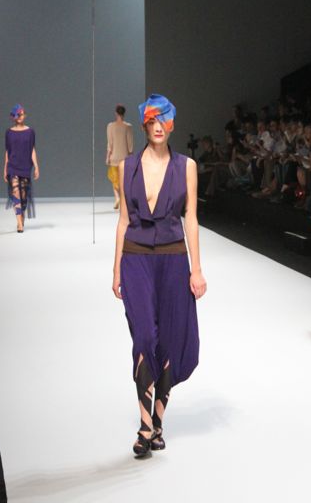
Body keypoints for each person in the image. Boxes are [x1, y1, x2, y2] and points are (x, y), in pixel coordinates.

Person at [112, 93, 207, 458]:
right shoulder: (127, 166)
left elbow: (191, 219)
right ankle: (143, 425)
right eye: (151, 121)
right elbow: (124, 220)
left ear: (171, 124)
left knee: (168, 338)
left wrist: (197, 269)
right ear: (144, 125)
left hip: (173, 259)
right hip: (136, 258)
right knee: (144, 337)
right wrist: (116, 267)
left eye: (162, 121)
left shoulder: (187, 166)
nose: (157, 127)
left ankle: (157, 422)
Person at [4, 104, 39, 233]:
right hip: (12, 166)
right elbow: (7, 151)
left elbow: (32, 149)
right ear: (13, 116)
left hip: (25, 166)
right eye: (17, 114)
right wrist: (5, 168)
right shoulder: (9, 133)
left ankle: (21, 216)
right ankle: (19, 223)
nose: (19, 116)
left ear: (25, 115)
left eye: (21, 114)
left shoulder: (30, 132)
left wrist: (36, 166)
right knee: (16, 193)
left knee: (23, 196)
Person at [106, 104, 134, 210]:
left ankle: (117, 198)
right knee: (123, 179)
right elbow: (130, 143)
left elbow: (110, 143)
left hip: (114, 156)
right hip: (125, 157)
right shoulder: (128, 126)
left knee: (114, 179)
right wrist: (131, 155)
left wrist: (108, 156)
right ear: (124, 113)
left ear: (116, 113)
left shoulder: (110, 126)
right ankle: (122, 200)